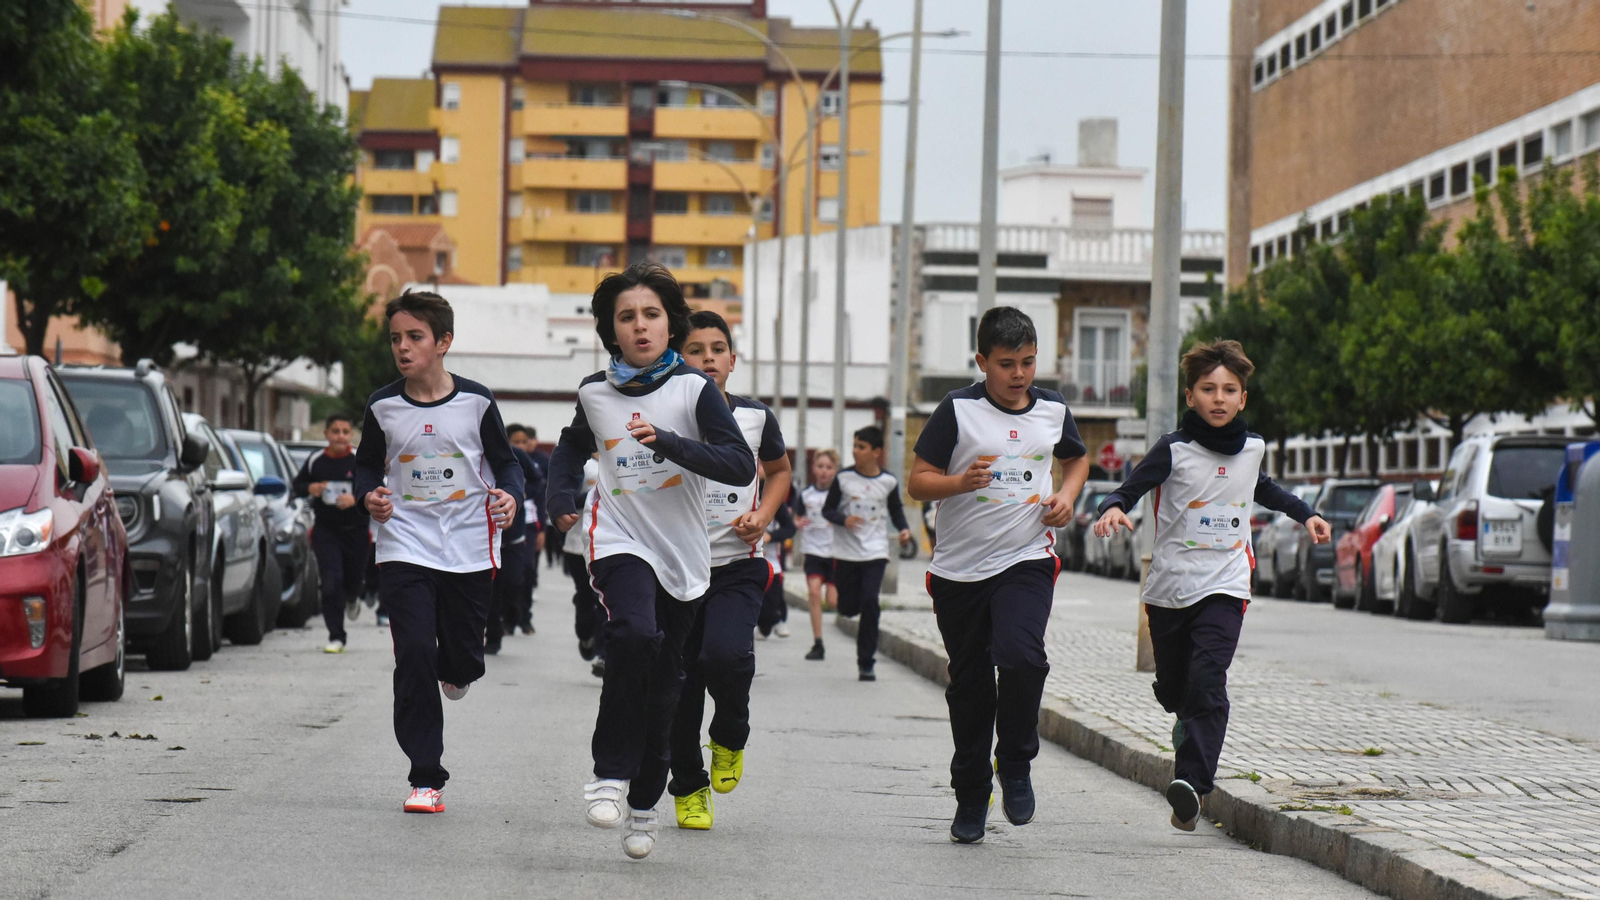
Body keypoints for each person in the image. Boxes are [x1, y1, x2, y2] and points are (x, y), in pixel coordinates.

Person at [546, 263, 756, 860]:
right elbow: (569, 447)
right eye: (627, 317)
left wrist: (668, 442)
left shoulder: (694, 390)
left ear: (670, 324)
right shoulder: (594, 392)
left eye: (652, 315)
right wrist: (560, 497)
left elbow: (739, 465)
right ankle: (608, 774)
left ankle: (643, 804)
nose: (640, 327)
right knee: (632, 633)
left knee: (667, 684)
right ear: (611, 332)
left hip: (685, 554)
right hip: (619, 539)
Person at [1093, 339, 1331, 833]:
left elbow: (1263, 488)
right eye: (1208, 389)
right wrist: (1112, 506)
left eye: (1229, 390)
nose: (1219, 398)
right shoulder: (1174, 450)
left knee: (1208, 681)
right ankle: (1183, 717)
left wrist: (1306, 514)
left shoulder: (1253, 449)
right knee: (1177, 688)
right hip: (1169, 589)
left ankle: (1192, 785)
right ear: (1190, 396)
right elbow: (1132, 486)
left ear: (1243, 398)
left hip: (1226, 583)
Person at [908, 306, 1089, 844]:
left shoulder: (1052, 409)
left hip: (1026, 558)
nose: (1019, 375)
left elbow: (1076, 461)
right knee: (969, 688)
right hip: (959, 572)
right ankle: (970, 793)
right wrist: (959, 483)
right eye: (1007, 364)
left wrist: (1067, 497)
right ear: (982, 361)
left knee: (1023, 657)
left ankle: (1014, 761)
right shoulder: (957, 410)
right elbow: (918, 481)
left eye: (1029, 363)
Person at [352, 289, 524, 816]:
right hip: (405, 542)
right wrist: (370, 495)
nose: (402, 348)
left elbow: (507, 462)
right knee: (414, 655)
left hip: (470, 545)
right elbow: (364, 466)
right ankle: (425, 776)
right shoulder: (383, 405)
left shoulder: (477, 401)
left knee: (462, 658)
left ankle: (461, 667)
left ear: (443, 342)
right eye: (396, 339)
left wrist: (510, 496)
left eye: (414, 338)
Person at [668, 310, 792, 832]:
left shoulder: (756, 418)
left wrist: (763, 516)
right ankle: (689, 788)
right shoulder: (664, 415)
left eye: (718, 349)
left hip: (736, 566)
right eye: (696, 350)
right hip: (675, 569)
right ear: (679, 360)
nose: (708, 359)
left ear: (733, 360)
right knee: (679, 685)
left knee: (727, 656)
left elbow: (781, 472)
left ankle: (730, 733)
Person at [823, 426, 911, 682]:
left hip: (875, 551)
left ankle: (866, 662)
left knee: (871, 602)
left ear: (876, 452)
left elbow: (896, 511)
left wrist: (904, 529)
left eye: (861, 447)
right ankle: (848, 609)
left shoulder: (889, 482)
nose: (855, 451)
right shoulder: (843, 479)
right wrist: (844, 519)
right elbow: (828, 511)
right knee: (848, 608)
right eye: (854, 445)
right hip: (847, 552)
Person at [291, 413, 370, 654]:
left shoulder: (359, 459)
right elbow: (297, 486)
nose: (340, 436)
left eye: (345, 432)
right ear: (326, 434)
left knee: (352, 580)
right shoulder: (316, 461)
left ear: (351, 435)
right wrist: (311, 488)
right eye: (335, 431)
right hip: (326, 531)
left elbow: (376, 489)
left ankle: (353, 596)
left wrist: (355, 498)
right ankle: (336, 636)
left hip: (356, 531)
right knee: (330, 581)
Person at [483, 435, 540, 655]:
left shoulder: (517, 456)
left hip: (513, 533)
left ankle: (514, 615)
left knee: (514, 581)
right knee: (490, 590)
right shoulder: (474, 454)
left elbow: (536, 480)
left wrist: (520, 494)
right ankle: (493, 637)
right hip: (484, 533)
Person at [793, 450, 840, 660]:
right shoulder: (805, 495)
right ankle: (818, 642)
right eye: (820, 466)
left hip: (835, 551)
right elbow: (794, 517)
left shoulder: (840, 495)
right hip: (812, 550)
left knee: (832, 601)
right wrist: (797, 522)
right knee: (813, 592)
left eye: (829, 467)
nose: (824, 471)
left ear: (835, 471)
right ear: (814, 469)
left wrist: (837, 520)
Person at [564, 455, 604, 676]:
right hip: (577, 545)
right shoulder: (584, 466)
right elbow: (567, 499)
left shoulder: (622, 461)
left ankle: (603, 654)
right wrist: (596, 493)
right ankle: (585, 634)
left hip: (609, 547)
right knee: (586, 596)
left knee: (606, 601)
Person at [507, 424, 547, 620]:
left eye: (524, 441)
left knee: (527, 568)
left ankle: (525, 614)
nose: (522, 446)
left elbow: (540, 491)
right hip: (502, 523)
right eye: (516, 442)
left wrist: (543, 529)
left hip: (530, 521)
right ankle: (506, 617)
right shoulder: (502, 458)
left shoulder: (539, 462)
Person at [757, 495, 796, 639]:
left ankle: (775, 620)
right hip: (745, 561)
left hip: (771, 563)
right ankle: (764, 623)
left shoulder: (773, 499)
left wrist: (771, 536)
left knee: (772, 603)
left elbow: (790, 529)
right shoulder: (740, 495)